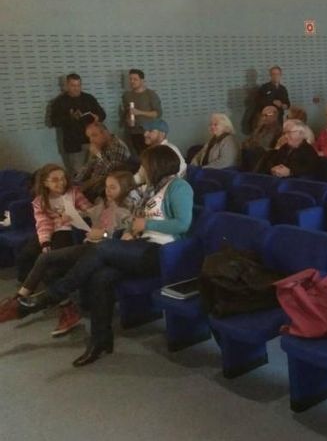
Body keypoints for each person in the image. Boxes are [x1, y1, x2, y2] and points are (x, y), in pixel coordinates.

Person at [16, 145, 194, 367]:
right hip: (138, 245)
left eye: (145, 164)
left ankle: (51, 295)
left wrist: (144, 223)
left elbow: (183, 223)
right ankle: (100, 341)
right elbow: (133, 218)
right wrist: (130, 228)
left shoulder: (179, 187)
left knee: (102, 248)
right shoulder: (151, 189)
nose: (142, 168)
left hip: (160, 252)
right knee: (101, 277)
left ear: (157, 165)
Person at [0, 171, 135, 336]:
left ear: (126, 188)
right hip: (89, 244)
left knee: (54, 268)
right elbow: (90, 213)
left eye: (113, 187)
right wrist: (72, 216)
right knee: (43, 257)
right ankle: (19, 299)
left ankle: (25, 304)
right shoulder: (104, 203)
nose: (107, 191)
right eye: (106, 187)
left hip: (103, 248)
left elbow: (124, 235)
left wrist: (104, 234)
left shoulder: (127, 209)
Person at [15, 164, 92, 285]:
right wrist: (45, 242)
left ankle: (53, 287)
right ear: (45, 183)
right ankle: (26, 285)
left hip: (68, 230)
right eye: (55, 180)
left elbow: (90, 211)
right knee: (27, 254)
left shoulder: (74, 193)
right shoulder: (40, 201)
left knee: (54, 256)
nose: (61, 183)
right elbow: (43, 223)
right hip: (49, 230)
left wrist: (76, 214)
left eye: (63, 178)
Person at [49, 73, 106, 173]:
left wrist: (98, 117)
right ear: (67, 85)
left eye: (78, 85)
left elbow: (102, 114)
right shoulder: (60, 101)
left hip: (92, 140)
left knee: (97, 169)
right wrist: (69, 117)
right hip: (73, 143)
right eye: (73, 86)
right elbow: (53, 121)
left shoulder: (89, 98)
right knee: (79, 172)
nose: (76, 88)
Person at [75, 122, 131, 201]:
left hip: (101, 187)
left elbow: (113, 169)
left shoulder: (117, 146)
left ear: (105, 133)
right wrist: (75, 182)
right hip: (90, 183)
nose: (91, 140)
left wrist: (98, 154)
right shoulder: (100, 145)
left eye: (94, 135)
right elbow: (88, 167)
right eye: (89, 137)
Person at [255, 119, 319, 178]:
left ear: (300, 133)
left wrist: (290, 172)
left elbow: (310, 173)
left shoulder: (309, 152)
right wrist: (272, 169)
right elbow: (273, 162)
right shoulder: (284, 148)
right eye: (284, 133)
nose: (285, 136)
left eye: (289, 132)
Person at [121, 69, 162, 154]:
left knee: (152, 155)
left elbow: (157, 113)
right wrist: (128, 119)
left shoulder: (150, 94)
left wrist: (140, 112)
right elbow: (126, 112)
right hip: (134, 132)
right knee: (140, 156)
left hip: (149, 132)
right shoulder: (127, 95)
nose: (132, 81)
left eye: (135, 79)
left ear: (142, 80)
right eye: (130, 79)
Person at [134, 120, 186, 184]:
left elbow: (180, 174)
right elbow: (141, 176)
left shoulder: (170, 150)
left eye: (150, 131)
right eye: (145, 131)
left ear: (162, 134)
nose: (145, 134)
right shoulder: (151, 151)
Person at [241, 105, 283, 170]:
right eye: (262, 115)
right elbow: (248, 142)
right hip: (253, 157)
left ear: (275, 116)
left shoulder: (279, 131)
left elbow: (275, 150)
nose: (263, 118)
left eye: (266, 115)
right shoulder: (259, 129)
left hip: (266, 160)